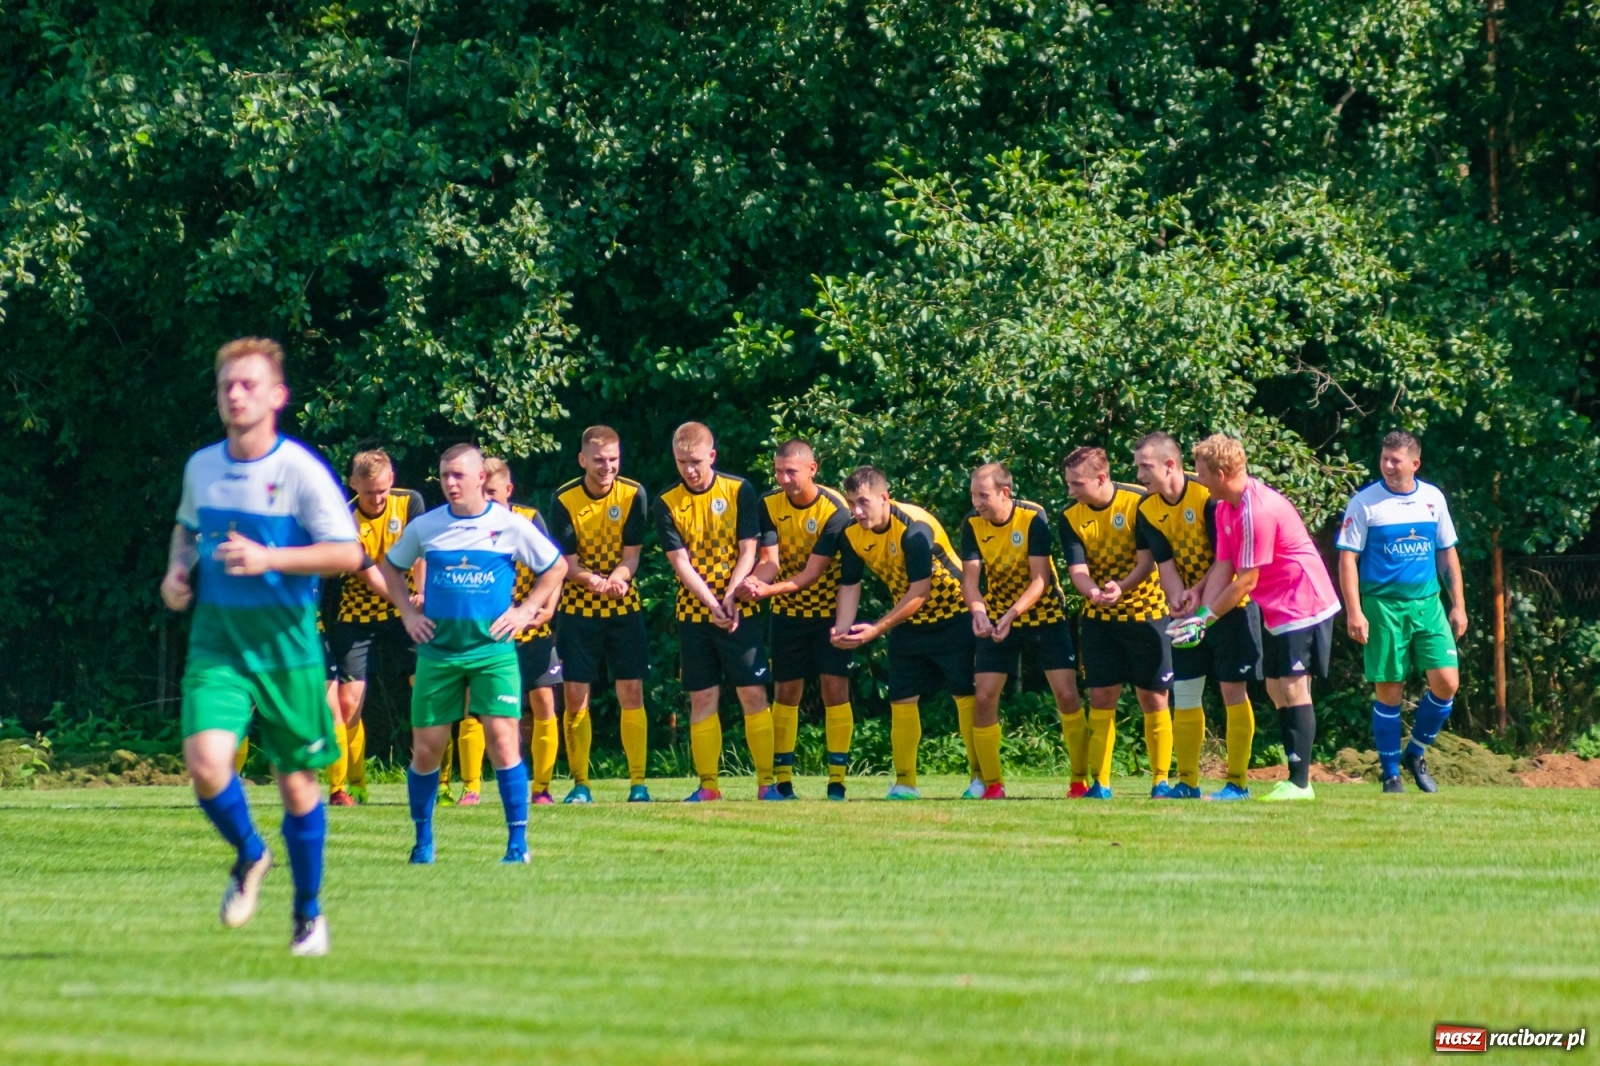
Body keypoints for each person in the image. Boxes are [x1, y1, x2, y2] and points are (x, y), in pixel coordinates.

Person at [161, 336, 362, 956]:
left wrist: (271, 556)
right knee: (204, 763)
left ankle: (307, 914)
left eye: (248, 384)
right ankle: (251, 855)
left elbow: (348, 552)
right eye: (226, 384)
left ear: (277, 396)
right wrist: (176, 570)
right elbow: (188, 529)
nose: (234, 393)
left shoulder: (298, 469)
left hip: (288, 650)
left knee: (299, 787)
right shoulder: (202, 466)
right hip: (218, 646)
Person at [381, 445, 567, 863]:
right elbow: (390, 567)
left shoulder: (509, 525)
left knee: (504, 742)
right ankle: (423, 842)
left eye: (458, 476)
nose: (450, 483)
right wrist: (409, 614)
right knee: (427, 749)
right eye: (445, 475)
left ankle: (517, 845)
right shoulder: (426, 526)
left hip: (492, 652)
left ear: (481, 478)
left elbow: (554, 567)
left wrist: (525, 610)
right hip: (438, 653)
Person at [1171, 434, 1341, 802]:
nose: (1197, 480)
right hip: (1277, 606)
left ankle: (1300, 784)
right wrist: (1200, 605)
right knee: (1275, 688)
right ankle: (1295, 780)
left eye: (1201, 473)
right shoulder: (1223, 508)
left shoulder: (1257, 509)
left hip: (1303, 600)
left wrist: (1205, 620)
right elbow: (1225, 564)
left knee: (1294, 687)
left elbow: (1247, 580)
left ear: (1221, 473)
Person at [832, 466, 976, 800]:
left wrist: (876, 629)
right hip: (909, 622)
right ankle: (905, 783)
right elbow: (850, 585)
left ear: (884, 497)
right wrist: (842, 629)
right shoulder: (853, 533)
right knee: (901, 698)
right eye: (852, 502)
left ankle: (980, 779)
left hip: (955, 616)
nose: (856, 511)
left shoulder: (913, 529)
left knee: (965, 696)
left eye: (863, 502)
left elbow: (920, 592)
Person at [1336, 430, 1466, 794]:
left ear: (1415, 464)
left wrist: (1458, 605)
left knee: (1447, 683)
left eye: (1396, 460)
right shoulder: (1365, 503)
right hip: (1383, 607)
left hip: (1428, 604)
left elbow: (1446, 551)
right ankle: (1390, 772)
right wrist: (1355, 611)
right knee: (1389, 690)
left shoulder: (1433, 499)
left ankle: (1416, 752)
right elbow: (1348, 558)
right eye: (1384, 459)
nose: (1389, 466)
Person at [1134, 432, 1262, 801]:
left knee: (1232, 690)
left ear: (1170, 465)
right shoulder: (1147, 509)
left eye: (1146, 466)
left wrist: (1199, 597)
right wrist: (1176, 600)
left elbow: (1226, 559)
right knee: (1186, 692)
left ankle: (1237, 782)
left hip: (1230, 606)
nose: (1139, 473)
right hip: (1190, 610)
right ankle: (1187, 782)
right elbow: (1165, 564)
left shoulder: (1207, 496)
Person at [654, 422, 777, 802]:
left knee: (752, 694)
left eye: (695, 461)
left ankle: (767, 783)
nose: (689, 469)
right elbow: (681, 563)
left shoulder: (740, 490)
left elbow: (748, 550)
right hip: (695, 616)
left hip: (739, 610)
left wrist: (731, 597)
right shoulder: (667, 503)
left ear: (711, 456)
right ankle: (708, 786)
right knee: (702, 698)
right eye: (681, 462)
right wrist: (712, 602)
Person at [738, 439, 856, 800]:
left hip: (829, 614)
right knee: (786, 692)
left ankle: (837, 780)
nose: (784, 478)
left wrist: (764, 592)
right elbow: (770, 559)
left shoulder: (836, 509)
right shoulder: (768, 504)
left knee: (834, 689)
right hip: (788, 615)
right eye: (778, 471)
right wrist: (756, 580)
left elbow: (812, 572)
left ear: (812, 469)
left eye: (792, 471)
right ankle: (782, 780)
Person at [958, 463, 1081, 800]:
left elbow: (1040, 579)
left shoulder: (1033, 517)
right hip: (998, 617)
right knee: (983, 697)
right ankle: (993, 785)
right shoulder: (971, 523)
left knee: (1067, 696)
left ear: (1005, 493)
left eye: (983, 495)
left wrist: (1011, 614)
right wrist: (979, 613)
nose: (977, 502)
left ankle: (1080, 781)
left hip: (1044, 616)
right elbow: (970, 581)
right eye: (973, 494)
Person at [1059, 447, 1172, 799]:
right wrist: (1093, 591)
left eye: (1077, 484)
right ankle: (1101, 783)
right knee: (1100, 697)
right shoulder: (1070, 517)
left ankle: (1161, 781)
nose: (1071, 491)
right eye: (1068, 484)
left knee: (1153, 698)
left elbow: (1148, 560)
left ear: (1101, 478)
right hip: (1099, 619)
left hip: (1147, 614)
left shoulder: (1139, 502)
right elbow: (1077, 570)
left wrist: (1120, 588)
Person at [549, 426, 652, 804]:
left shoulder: (633, 494)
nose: (607, 466)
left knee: (632, 691)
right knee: (576, 695)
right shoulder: (564, 499)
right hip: (578, 608)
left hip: (624, 605)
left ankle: (638, 784)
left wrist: (620, 579)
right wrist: (593, 580)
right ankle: (581, 785)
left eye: (613, 459)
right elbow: (567, 564)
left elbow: (632, 556)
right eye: (598, 460)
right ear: (582, 460)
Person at [328, 450, 425, 806]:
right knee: (348, 701)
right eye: (370, 492)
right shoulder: (343, 518)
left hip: (408, 613)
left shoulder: (410, 502)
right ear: (354, 484)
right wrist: (406, 606)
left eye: (384, 490)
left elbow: (419, 555)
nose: (378, 498)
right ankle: (349, 786)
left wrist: (423, 595)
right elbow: (369, 573)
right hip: (358, 616)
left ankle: (435, 781)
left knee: (426, 689)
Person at [483, 459, 570, 801]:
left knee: (544, 702)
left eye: (492, 492)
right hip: (490, 631)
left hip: (530, 625)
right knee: (487, 707)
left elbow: (554, 565)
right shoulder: (469, 524)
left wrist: (547, 608)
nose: (487, 499)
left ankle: (542, 787)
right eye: (482, 492)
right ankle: (473, 787)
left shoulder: (529, 519)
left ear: (508, 490)